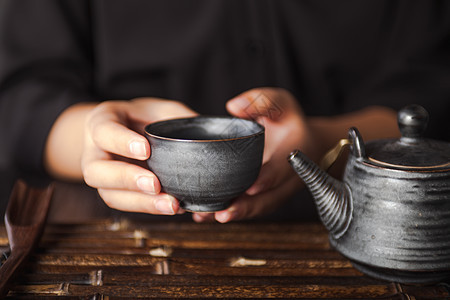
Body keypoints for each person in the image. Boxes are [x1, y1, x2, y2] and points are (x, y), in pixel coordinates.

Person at [1, 0, 449, 223]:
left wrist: (320, 141)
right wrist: (93, 137)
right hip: (123, 240)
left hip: (355, 223)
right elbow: (19, 98)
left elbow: (431, 91)